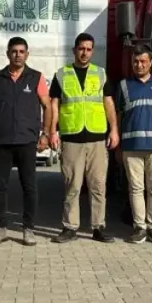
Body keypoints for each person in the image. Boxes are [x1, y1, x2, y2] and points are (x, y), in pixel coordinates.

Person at [49, 33, 119, 244]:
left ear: (92, 51)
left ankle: (99, 227)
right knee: (73, 185)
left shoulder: (100, 74)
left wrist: (114, 129)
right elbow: (54, 104)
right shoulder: (62, 74)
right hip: (72, 138)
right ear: (74, 50)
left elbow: (108, 103)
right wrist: (52, 131)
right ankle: (70, 227)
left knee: (98, 186)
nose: (85, 53)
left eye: (89, 49)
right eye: (81, 48)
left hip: (97, 138)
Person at [0, 37, 52, 247]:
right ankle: (0, 228)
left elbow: (48, 106)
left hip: (27, 140)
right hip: (2, 141)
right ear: (8, 53)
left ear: (27, 54)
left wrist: (45, 134)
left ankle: (28, 229)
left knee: (29, 186)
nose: (18, 55)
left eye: (22, 51)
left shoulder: (36, 77)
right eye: (14, 51)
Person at [116, 44, 152, 244]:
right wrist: (119, 145)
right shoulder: (124, 86)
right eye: (136, 62)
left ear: (151, 63)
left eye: (143, 61)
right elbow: (119, 116)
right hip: (131, 146)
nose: (139, 65)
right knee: (136, 188)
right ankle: (140, 227)